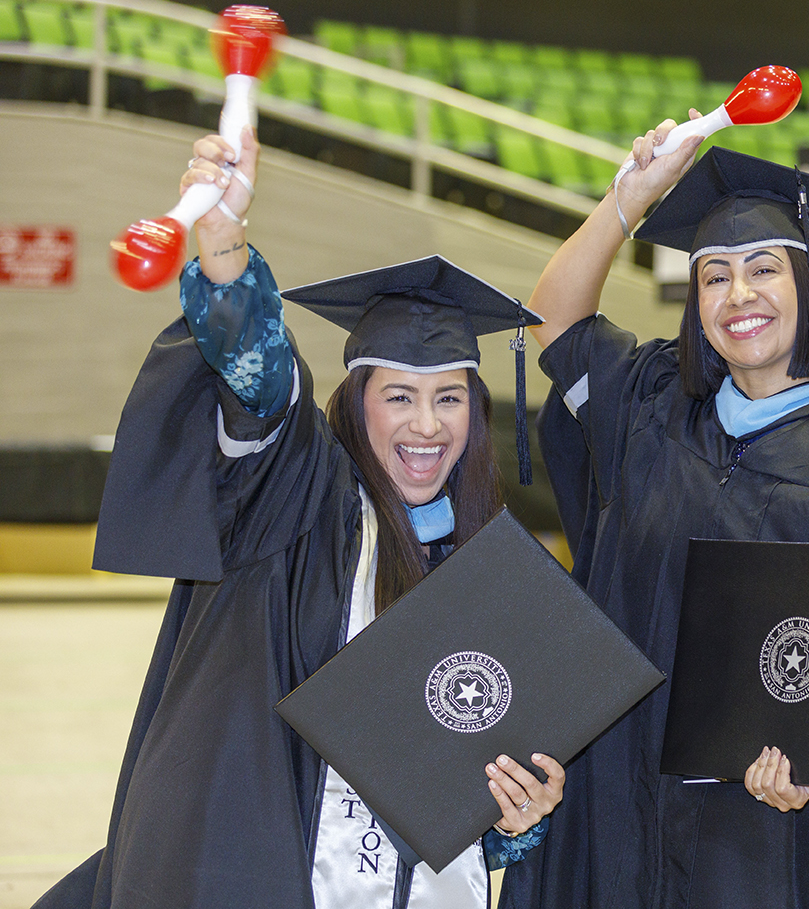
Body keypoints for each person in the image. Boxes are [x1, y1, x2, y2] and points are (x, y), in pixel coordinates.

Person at [35, 128, 565, 909]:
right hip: (265, 872)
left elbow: (473, 787)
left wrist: (517, 817)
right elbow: (260, 376)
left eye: (448, 397)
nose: (427, 425)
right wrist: (224, 245)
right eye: (399, 396)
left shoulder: (491, 574)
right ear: (354, 404)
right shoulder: (301, 499)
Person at [497, 128, 809, 909]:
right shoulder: (655, 402)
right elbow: (552, 317)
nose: (739, 296)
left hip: (767, 834)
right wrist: (632, 193)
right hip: (614, 805)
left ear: (808, 284)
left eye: (763, 269)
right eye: (713, 277)